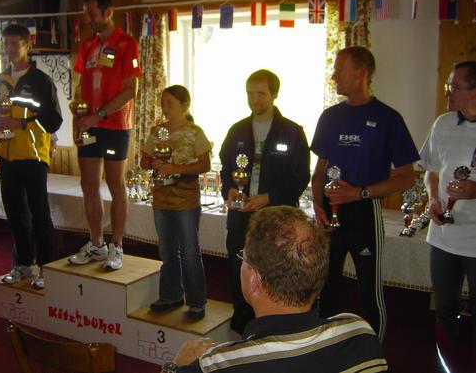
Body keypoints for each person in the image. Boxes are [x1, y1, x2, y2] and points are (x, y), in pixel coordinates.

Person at [161, 206, 388, 373]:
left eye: (244, 258)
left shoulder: (218, 365)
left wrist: (176, 366)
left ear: (254, 281)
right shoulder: (360, 334)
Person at [311, 46, 419, 342]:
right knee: (325, 286)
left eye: (339, 69)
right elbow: (320, 168)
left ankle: (374, 352)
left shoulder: (388, 118)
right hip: (328, 212)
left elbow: (407, 177)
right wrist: (317, 204)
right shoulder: (330, 116)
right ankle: (325, 349)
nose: (333, 76)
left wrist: (360, 193)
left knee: (369, 291)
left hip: (363, 212)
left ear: (361, 74)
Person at [219, 69, 310, 333]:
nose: (254, 99)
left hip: (276, 219)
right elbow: (226, 169)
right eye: (250, 93)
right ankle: (241, 327)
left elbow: (300, 177)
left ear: (274, 95)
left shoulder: (292, 132)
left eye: (261, 94)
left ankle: (273, 329)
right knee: (239, 271)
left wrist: (268, 198)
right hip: (240, 219)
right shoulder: (237, 130)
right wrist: (230, 191)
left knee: (274, 275)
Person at [0, 24, 63, 290]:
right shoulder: (0, 81)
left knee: (39, 214)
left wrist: (23, 124)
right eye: (6, 44)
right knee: (15, 214)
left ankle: (47, 268)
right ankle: (24, 264)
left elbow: (53, 120)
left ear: (27, 45)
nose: (10, 48)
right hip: (6, 157)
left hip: (33, 156)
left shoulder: (40, 81)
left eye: (15, 43)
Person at [68, 0, 142, 270]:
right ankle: (97, 243)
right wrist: (78, 116)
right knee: (88, 184)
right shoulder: (87, 46)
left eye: (92, 14)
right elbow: (80, 86)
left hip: (114, 126)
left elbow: (131, 90)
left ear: (108, 12)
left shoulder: (127, 44)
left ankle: (117, 245)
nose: (87, 19)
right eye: (85, 14)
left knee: (115, 184)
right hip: (89, 126)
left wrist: (98, 115)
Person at [140, 85, 211, 320]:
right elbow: (144, 161)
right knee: (167, 250)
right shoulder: (157, 131)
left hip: (186, 200)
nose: (165, 108)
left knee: (190, 251)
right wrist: (155, 163)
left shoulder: (194, 132)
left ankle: (197, 301)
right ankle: (171, 295)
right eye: (163, 103)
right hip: (161, 198)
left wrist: (175, 168)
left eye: (170, 103)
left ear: (184, 105)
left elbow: (204, 165)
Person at [420, 61, 476, 352]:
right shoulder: (442, 123)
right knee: (444, 310)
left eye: (454, 87)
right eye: (448, 86)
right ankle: (445, 361)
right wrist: (432, 198)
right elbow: (430, 170)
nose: (447, 92)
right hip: (443, 236)